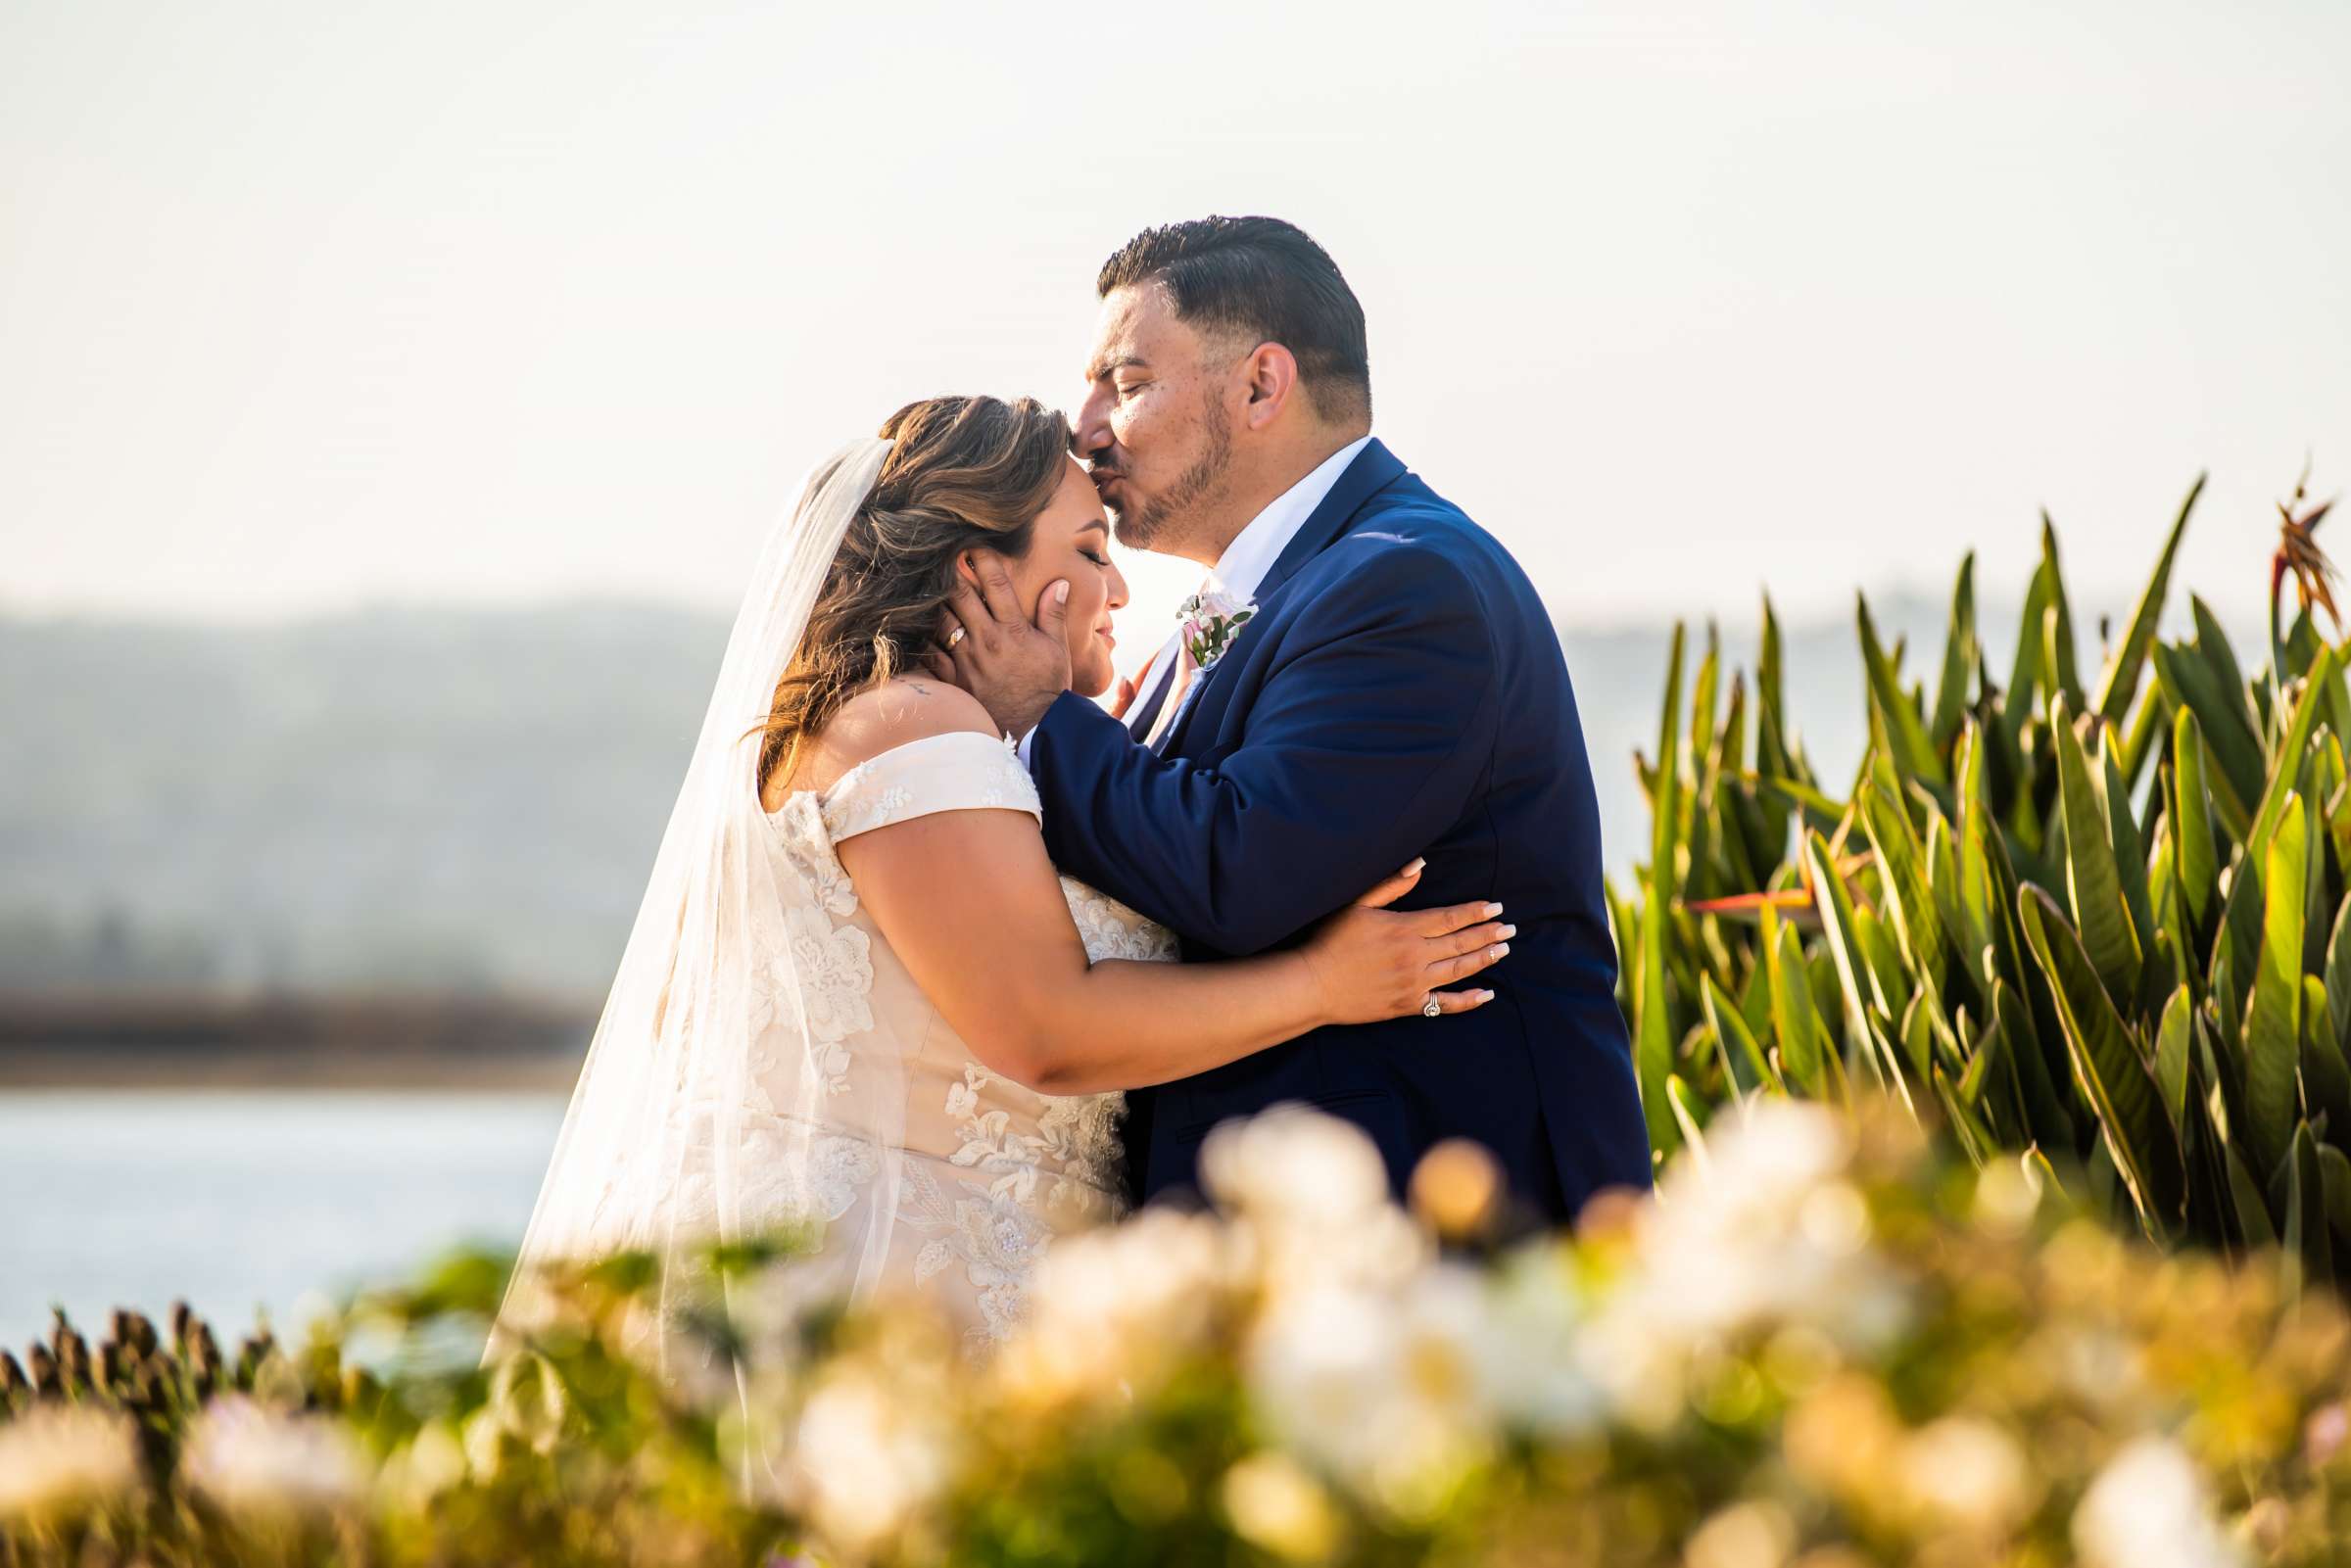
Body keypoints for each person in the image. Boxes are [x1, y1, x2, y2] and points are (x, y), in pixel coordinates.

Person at [502, 394, 1510, 1357]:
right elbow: (1041, 1026)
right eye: (1086, 553)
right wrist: (1324, 986)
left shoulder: (926, 735)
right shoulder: (916, 728)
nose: (1119, 590)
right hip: (888, 1291)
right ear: (980, 572)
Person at [939, 216, 1654, 1221]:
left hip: (1432, 1239)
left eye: (1128, 382)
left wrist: (1035, 705)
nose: (1086, 423)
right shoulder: (1280, 591)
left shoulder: (1408, 583)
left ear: (1263, 386)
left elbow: (1241, 869)